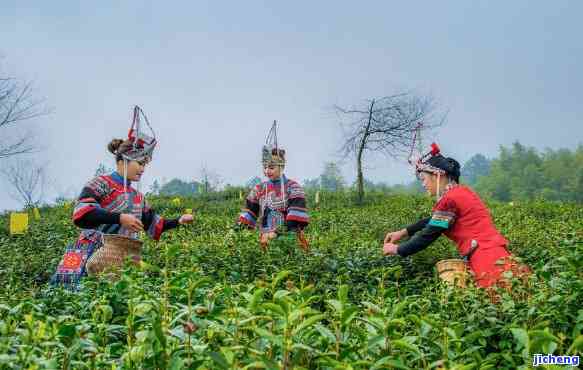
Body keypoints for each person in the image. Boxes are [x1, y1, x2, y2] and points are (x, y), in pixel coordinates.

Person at [51, 106, 193, 289]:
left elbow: (154, 224)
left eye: (145, 165)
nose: (142, 169)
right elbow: (82, 214)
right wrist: (119, 218)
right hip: (86, 249)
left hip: (117, 256)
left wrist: (178, 221)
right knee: (62, 297)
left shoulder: (138, 198)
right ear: (121, 161)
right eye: (139, 163)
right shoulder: (100, 183)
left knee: (110, 305)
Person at [382, 143, 529, 289]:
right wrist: (404, 232)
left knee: (497, 302)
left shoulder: (450, 200)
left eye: (424, 178)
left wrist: (397, 249)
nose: (423, 184)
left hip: (485, 258)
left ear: (438, 175)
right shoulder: (461, 192)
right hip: (498, 253)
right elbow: (434, 220)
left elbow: (428, 235)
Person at [236, 122, 309, 250]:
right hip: (265, 240)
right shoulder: (258, 189)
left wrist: (277, 233)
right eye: (265, 167)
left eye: (271, 167)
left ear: (282, 166)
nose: (267, 171)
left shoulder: (293, 187)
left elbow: (295, 218)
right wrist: (236, 231)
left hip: (289, 239)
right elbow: (249, 215)